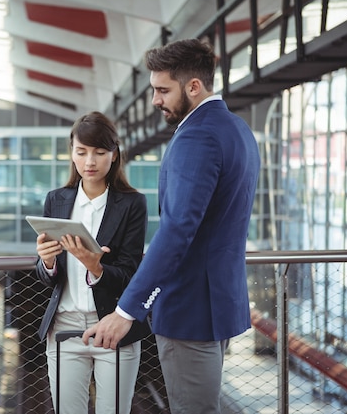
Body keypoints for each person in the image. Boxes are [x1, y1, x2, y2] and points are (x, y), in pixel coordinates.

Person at [82, 38, 261, 414]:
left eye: (163, 90)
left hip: (188, 308)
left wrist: (127, 310)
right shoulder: (237, 129)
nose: (155, 100)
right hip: (217, 302)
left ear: (193, 86)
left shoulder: (196, 136)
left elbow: (179, 230)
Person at [34, 111, 151, 414]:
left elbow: (130, 274)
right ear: (71, 153)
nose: (90, 161)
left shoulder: (132, 204)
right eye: (81, 152)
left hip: (113, 327)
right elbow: (49, 277)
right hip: (64, 326)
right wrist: (47, 263)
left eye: (100, 152)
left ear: (114, 155)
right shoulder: (56, 200)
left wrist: (95, 266)